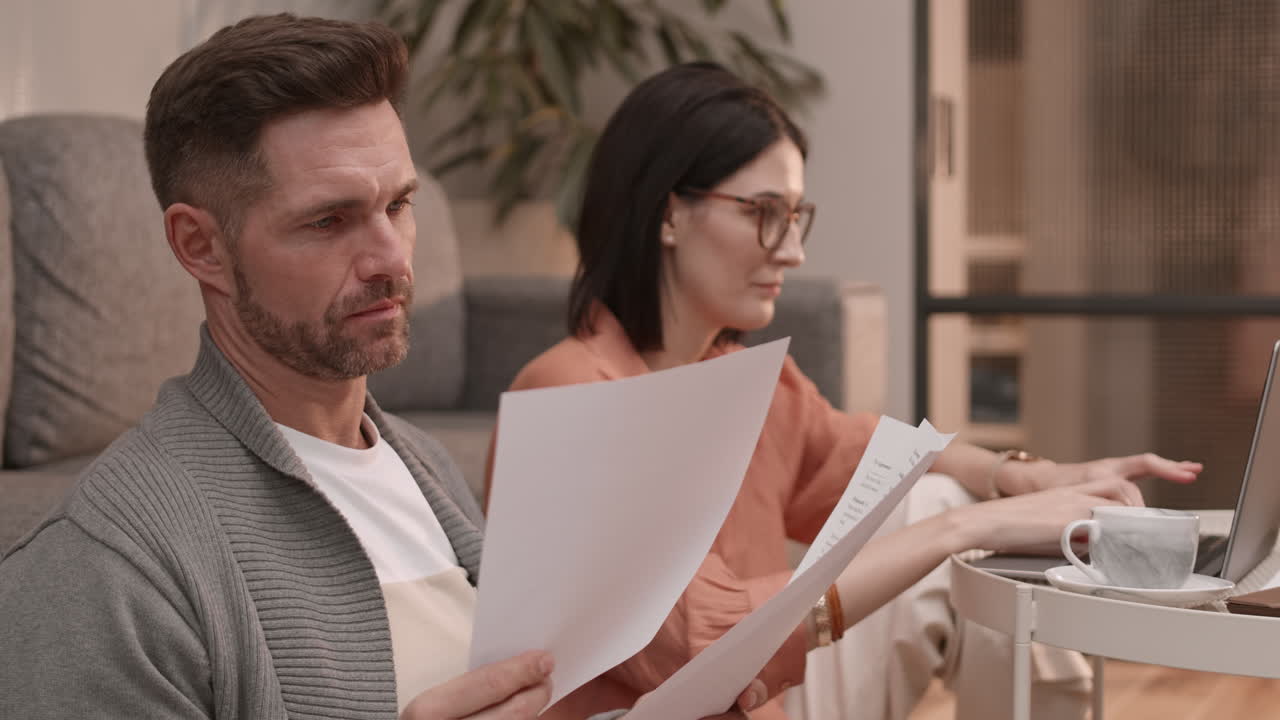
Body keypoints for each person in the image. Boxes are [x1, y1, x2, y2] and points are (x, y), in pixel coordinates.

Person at [0, 17, 756, 720]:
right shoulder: (105, 572)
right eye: (328, 220)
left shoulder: (421, 467)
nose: (392, 259)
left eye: (399, 205)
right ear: (201, 247)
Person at [496, 62, 1204, 720]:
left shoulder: (743, 381)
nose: (793, 251)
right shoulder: (572, 398)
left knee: (935, 499)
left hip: (757, 704)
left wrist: (1032, 477)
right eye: (764, 211)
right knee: (950, 524)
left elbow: (874, 455)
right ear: (668, 213)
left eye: (796, 217)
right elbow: (704, 651)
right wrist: (972, 526)